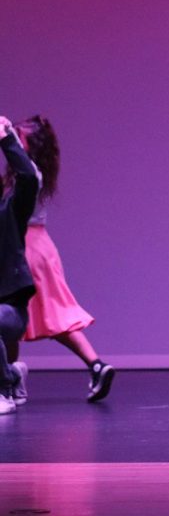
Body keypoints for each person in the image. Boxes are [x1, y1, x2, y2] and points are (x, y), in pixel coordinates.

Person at [9, 116, 115, 404]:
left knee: (11, 312)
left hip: (25, 246)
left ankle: (9, 379)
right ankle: (96, 365)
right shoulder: (31, 170)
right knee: (49, 315)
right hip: (41, 246)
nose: (14, 142)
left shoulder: (27, 173)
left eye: (19, 138)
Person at [0, 116, 39, 415]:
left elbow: (28, 178)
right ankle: (13, 374)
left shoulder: (11, 210)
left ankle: (3, 391)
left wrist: (7, 139)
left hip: (10, 311)